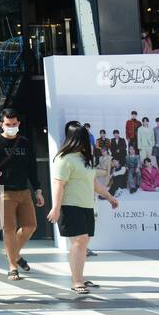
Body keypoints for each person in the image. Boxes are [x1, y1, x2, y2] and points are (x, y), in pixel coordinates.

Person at [47, 123, 119, 295]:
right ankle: (77, 281)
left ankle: (79, 276)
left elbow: (93, 183)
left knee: (82, 243)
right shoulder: (64, 159)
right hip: (70, 206)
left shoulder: (84, 159)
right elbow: (59, 184)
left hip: (86, 205)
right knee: (81, 240)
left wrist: (109, 197)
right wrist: (56, 207)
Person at [0, 107, 43, 279]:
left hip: (24, 191)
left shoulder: (25, 143)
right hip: (4, 192)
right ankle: (13, 265)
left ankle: (13, 253)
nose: (11, 126)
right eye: (7, 124)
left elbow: (32, 169)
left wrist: (38, 190)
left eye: (14, 124)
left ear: (18, 123)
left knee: (30, 226)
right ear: (1, 124)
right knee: (9, 229)